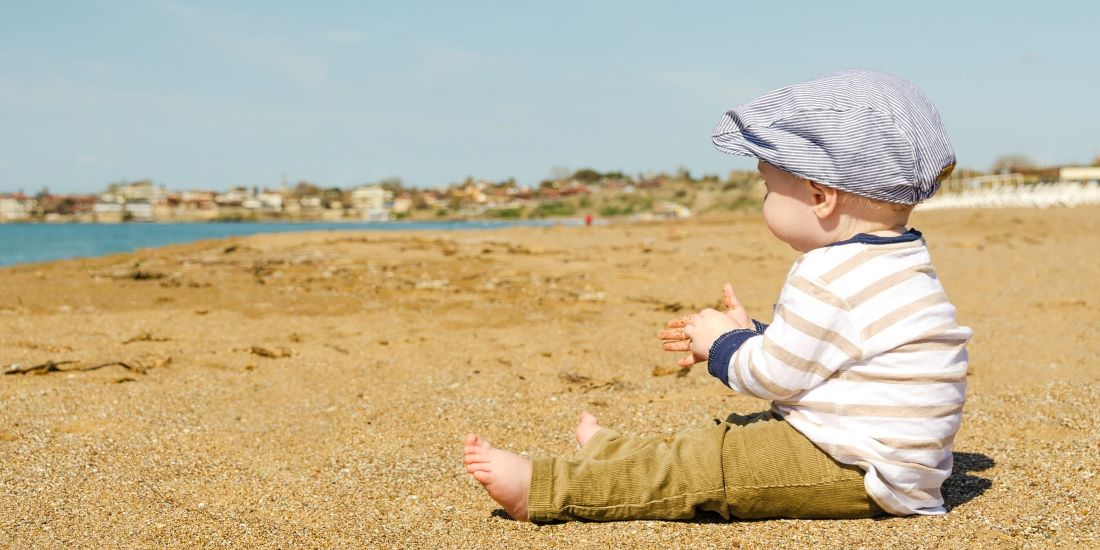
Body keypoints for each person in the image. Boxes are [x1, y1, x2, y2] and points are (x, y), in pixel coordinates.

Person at [463, 69, 971, 522]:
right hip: (895, 460)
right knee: (724, 437)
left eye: (770, 186)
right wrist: (756, 335)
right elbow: (832, 354)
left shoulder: (827, 273)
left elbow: (775, 376)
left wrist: (723, 345)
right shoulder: (900, 260)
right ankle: (614, 452)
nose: (766, 198)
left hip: (854, 465)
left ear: (820, 197)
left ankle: (547, 488)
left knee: (706, 466)